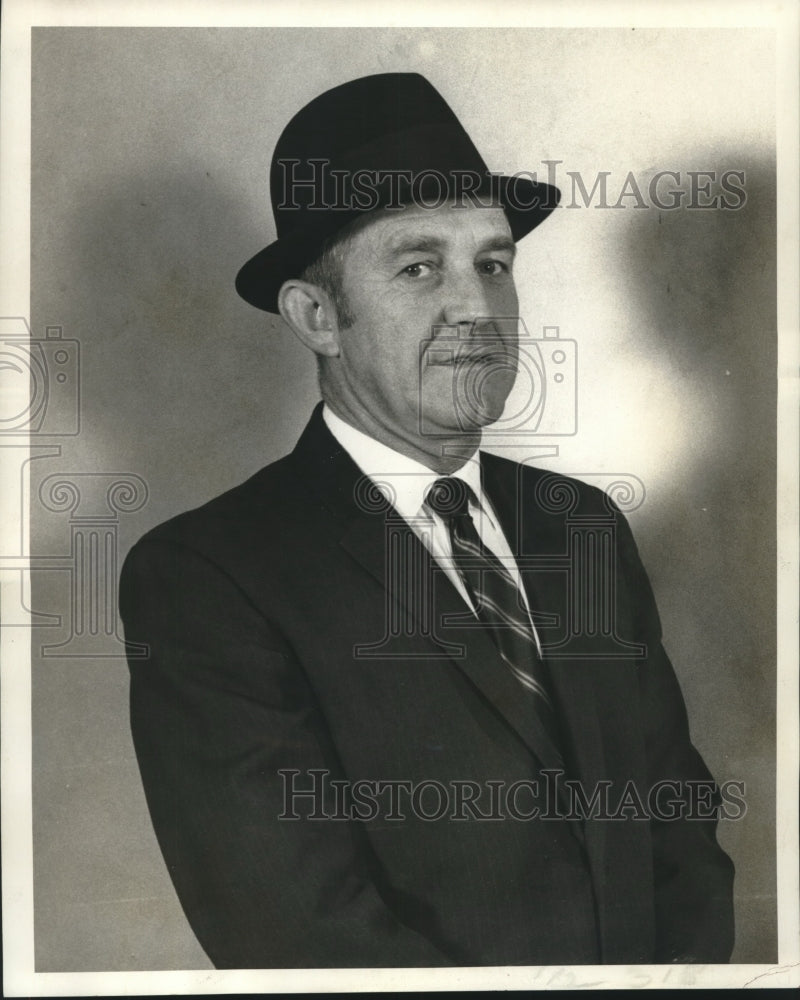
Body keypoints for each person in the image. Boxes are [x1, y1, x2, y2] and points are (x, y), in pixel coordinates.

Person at [120, 72, 735, 968]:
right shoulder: (209, 574)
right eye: (419, 267)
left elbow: (679, 836)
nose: (478, 309)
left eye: (493, 263)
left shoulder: (582, 528)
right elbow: (293, 934)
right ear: (318, 315)